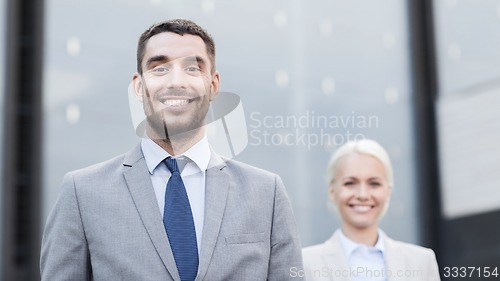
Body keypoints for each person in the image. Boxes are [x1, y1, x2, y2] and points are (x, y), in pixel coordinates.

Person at [40, 19, 304, 281]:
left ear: (213, 85)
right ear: (139, 86)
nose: (176, 82)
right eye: (159, 68)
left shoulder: (266, 193)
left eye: (192, 68)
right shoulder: (82, 193)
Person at [302, 139, 441, 281]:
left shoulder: (421, 262)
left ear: (388, 192)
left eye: (374, 184)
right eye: (350, 183)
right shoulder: (304, 264)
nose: (362, 195)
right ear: (332, 191)